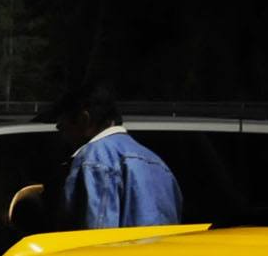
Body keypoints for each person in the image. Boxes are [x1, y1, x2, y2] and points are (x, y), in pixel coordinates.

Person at [44, 87, 184, 230]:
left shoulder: (94, 159)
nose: (62, 134)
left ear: (83, 119)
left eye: (62, 126)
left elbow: (96, 238)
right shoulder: (156, 162)